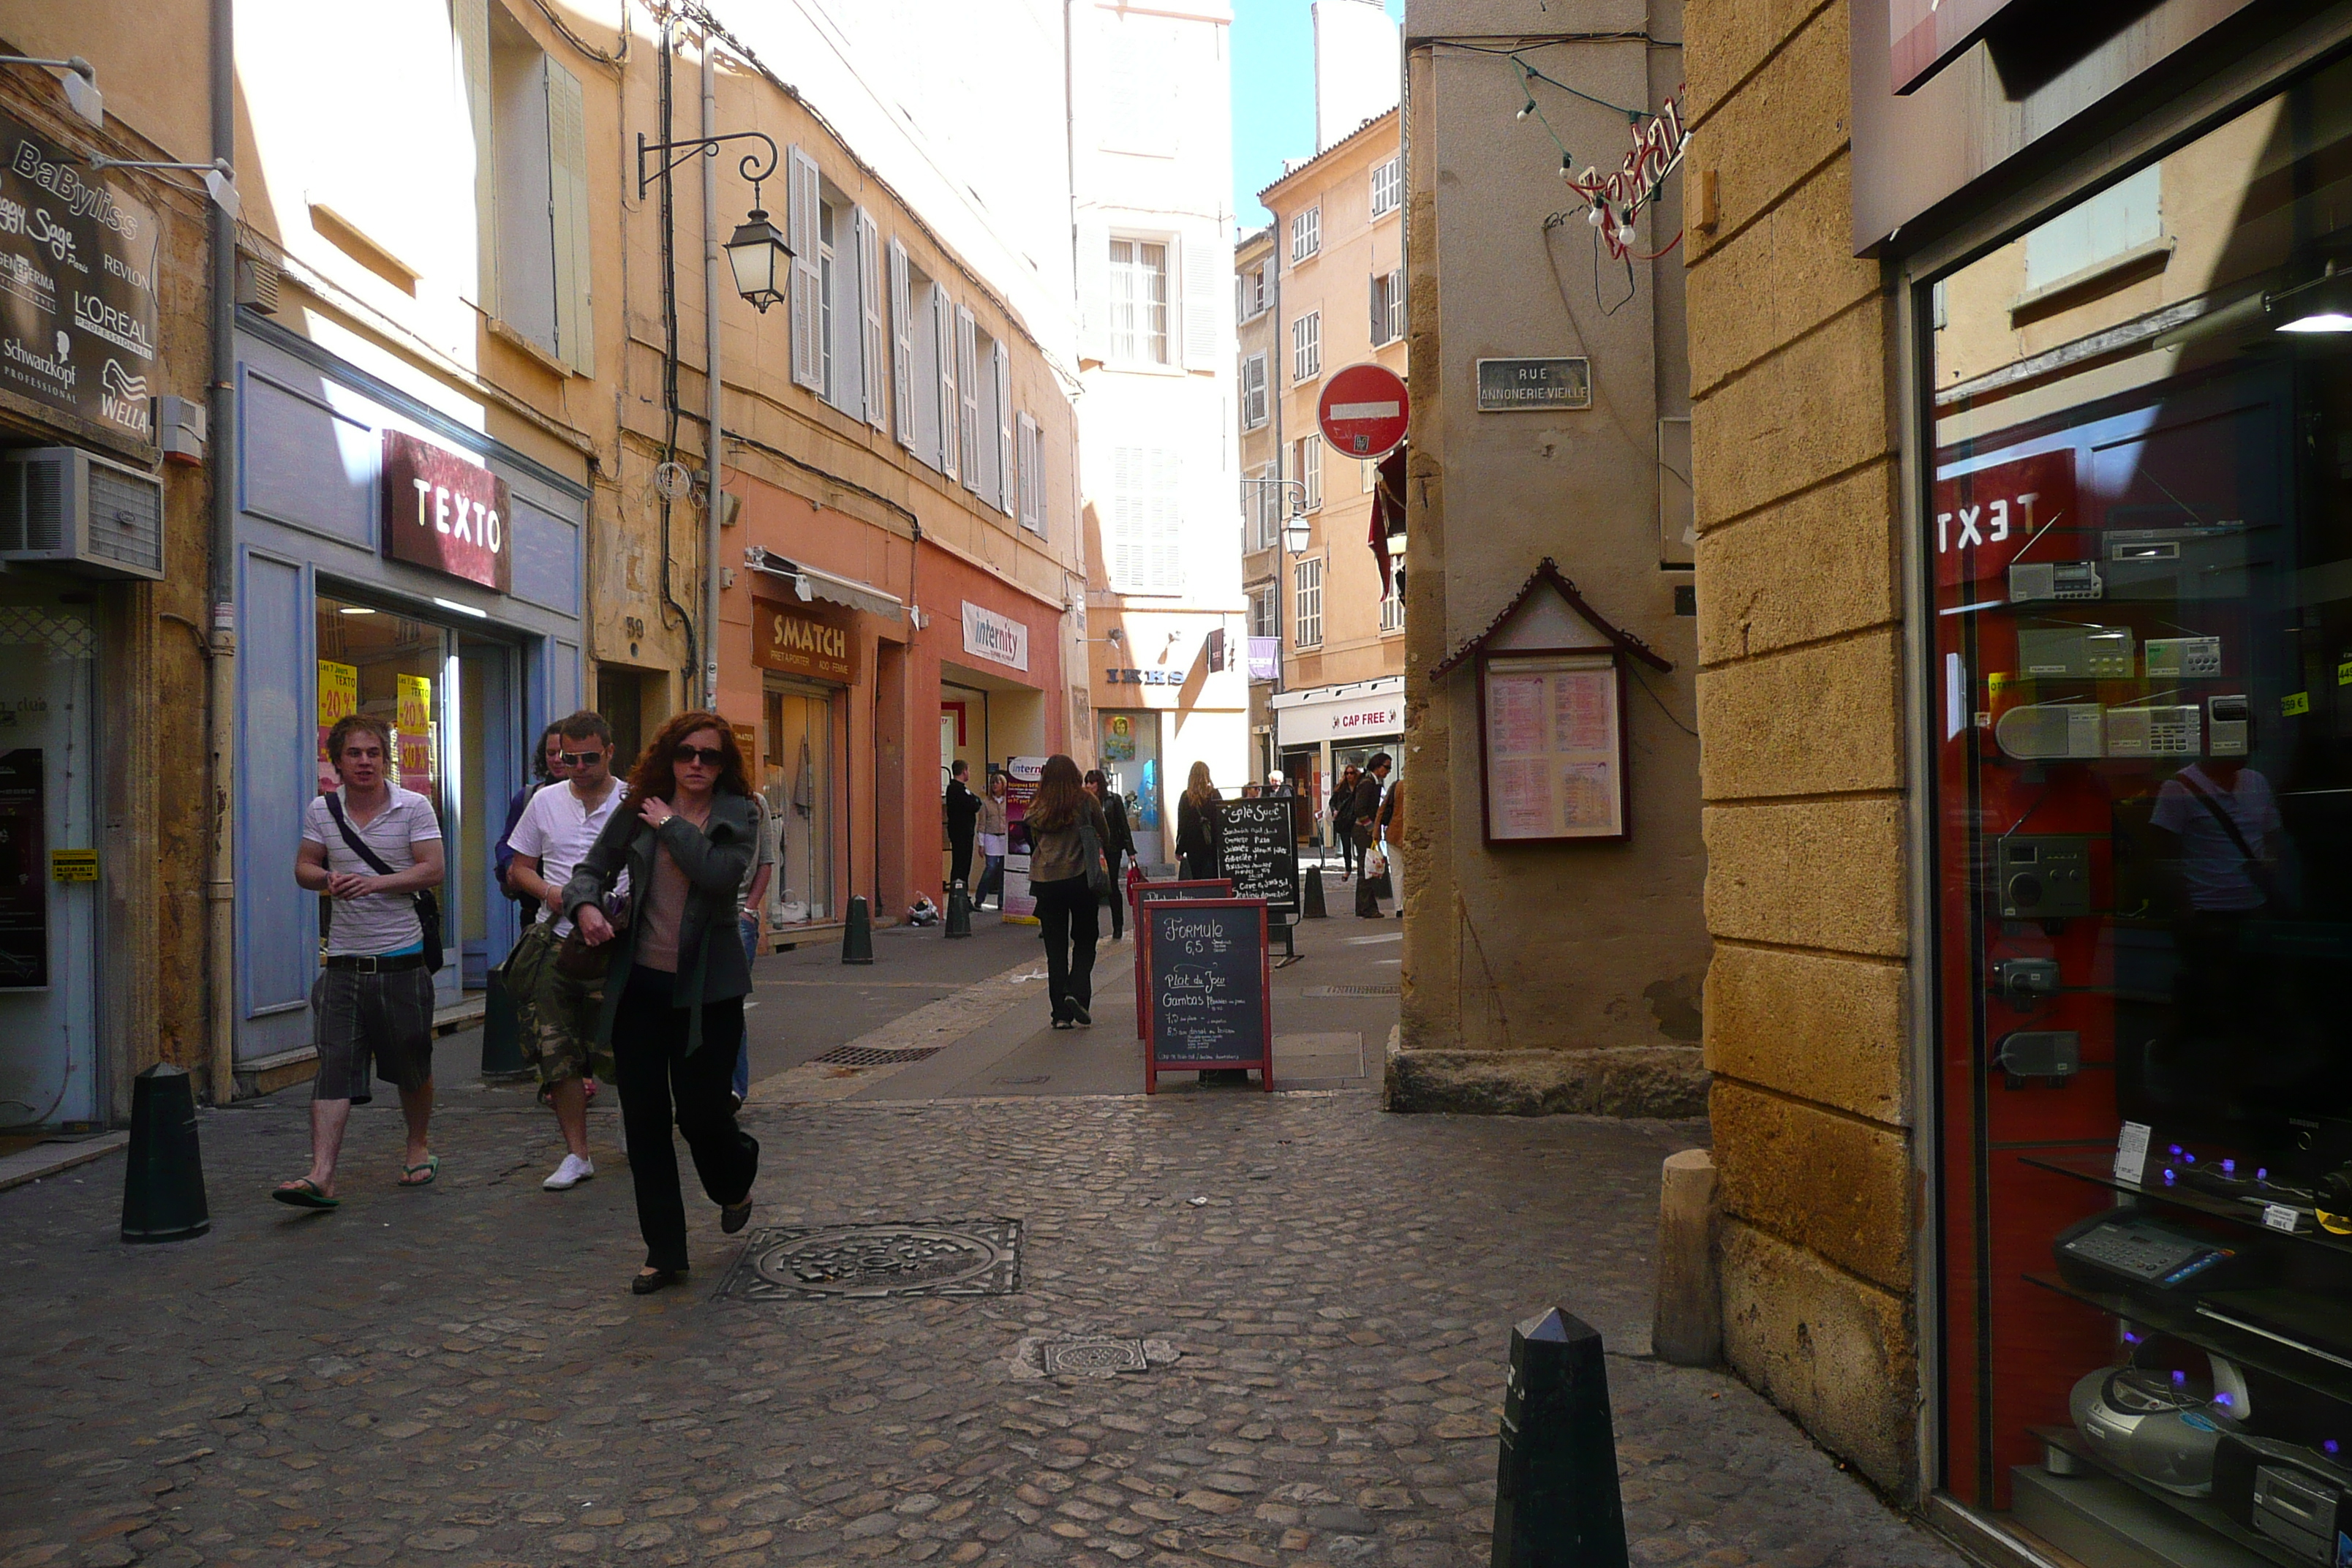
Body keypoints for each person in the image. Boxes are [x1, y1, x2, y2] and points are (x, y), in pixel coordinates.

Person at [564, 712, 761, 1294]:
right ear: (668, 756)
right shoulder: (637, 808)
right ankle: (664, 1252)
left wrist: (672, 823)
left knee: (702, 1116)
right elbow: (588, 870)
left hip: (709, 992)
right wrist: (586, 907)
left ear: (724, 765)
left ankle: (734, 1180)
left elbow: (720, 875)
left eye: (709, 756)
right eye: (685, 753)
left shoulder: (738, 814)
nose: (696, 764)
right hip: (641, 988)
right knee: (644, 1124)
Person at [273, 714, 447, 1209]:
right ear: (338, 762)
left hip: (401, 963)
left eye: (374, 753)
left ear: (385, 760)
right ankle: (322, 1173)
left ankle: (417, 1145)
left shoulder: (414, 807)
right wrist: (326, 879)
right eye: (355, 754)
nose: (365, 762)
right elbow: (304, 866)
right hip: (344, 963)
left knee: (412, 1062)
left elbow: (432, 868)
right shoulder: (321, 811)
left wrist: (375, 883)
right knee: (334, 1065)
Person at [503, 712, 627, 1191]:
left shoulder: (632, 800)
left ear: (610, 751)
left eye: (589, 758)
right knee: (557, 1053)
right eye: (567, 758)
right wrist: (552, 894)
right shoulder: (545, 801)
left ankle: (633, 1132)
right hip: (555, 940)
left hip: (617, 946)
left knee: (626, 1050)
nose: (577, 767)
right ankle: (577, 1154)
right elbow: (520, 868)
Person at [1028, 755, 1112, 1028]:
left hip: (1046, 881)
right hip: (1079, 878)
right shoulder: (1086, 801)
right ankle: (1077, 993)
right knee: (1086, 939)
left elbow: (1033, 840)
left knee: (1056, 948)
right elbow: (1105, 834)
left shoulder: (1038, 805)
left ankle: (1060, 1015)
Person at [732, 791, 774, 1109]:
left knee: (730, 1002)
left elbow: (766, 861)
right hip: (691, 918)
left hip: (737, 916)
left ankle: (734, 1088)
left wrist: (749, 909)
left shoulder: (755, 804)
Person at [496, 723, 569, 908]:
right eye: (550, 753)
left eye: (563, 753)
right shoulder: (529, 797)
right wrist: (510, 864)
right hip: (534, 904)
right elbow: (506, 842)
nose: (557, 760)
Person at [1085, 769, 1136, 941]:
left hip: (1112, 848)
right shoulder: (1084, 801)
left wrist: (1130, 851)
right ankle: (1093, 929)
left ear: (1099, 783)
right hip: (1092, 849)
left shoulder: (1113, 800)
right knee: (1092, 886)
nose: (1089, 785)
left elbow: (1123, 825)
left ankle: (1118, 926)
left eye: (1092, 782)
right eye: (1087, 782)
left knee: (1112, 885)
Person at [1352, 755, 1392, 918]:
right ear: (1377, 766)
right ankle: (1366, 907)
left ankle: (1364, 906)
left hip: (1364, 830)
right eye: (1386, 767)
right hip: (1362, 830)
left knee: (1366, 868)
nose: (1388, 771)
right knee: (1366, 868)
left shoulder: (1373, 782)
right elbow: (1360, 809)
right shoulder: (1368, 783)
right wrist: (1371, 828)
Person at [1175, 760, 1224, 881]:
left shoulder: (1186, 797)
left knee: (1197, 877)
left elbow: (1182, 826)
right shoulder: (1215, 795)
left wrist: (1180, 849)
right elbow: (1222, 819)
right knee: (1213, 877)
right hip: (1212, 844)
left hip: (1193, 845)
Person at [943, 759, 981, 897]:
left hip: (964, 833)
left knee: (964, 865)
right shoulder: (956, 789)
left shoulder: (962, 789)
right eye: (968, 770)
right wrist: (974, 801)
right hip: (961, 834)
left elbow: (977, 801)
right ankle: (958, 896)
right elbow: (974, 804)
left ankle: (962, 895)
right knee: (961, 866)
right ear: (964, 771)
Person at [976, 769, 1009, 911]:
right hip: (990, 837)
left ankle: (1002, 902)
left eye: (998, 782)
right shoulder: (986, 803)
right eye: (993, 783)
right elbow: (981, 824)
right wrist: (981, 844)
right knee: (991, 868)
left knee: (1003, 870)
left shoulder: (1008, 801)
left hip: (1004, 838)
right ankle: (979, 899)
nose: (995, 785)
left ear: (1003, 785)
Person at [1376, 772, 1406, 919]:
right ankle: (1408, 903)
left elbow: (1382, 808)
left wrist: (1376, 831)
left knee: (1397, 872)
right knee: (1409, 871)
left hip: (1394, 833)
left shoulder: (1396, 786)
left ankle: (1399, 906)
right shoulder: (1417, 787)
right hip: (1410, 833)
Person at [1330, 765, 1362, 878]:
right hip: (1344, 820)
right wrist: (1334, 811)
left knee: (1359, 845)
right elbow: (1332, 802)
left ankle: (1361, 867)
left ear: (1356, 773)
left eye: (1352, 773)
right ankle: (1348, 869)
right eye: (1347, 773)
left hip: (1357, 820)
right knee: (1346, 846)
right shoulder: (1341, 788)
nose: (1349, 775)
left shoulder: (1360, 787)